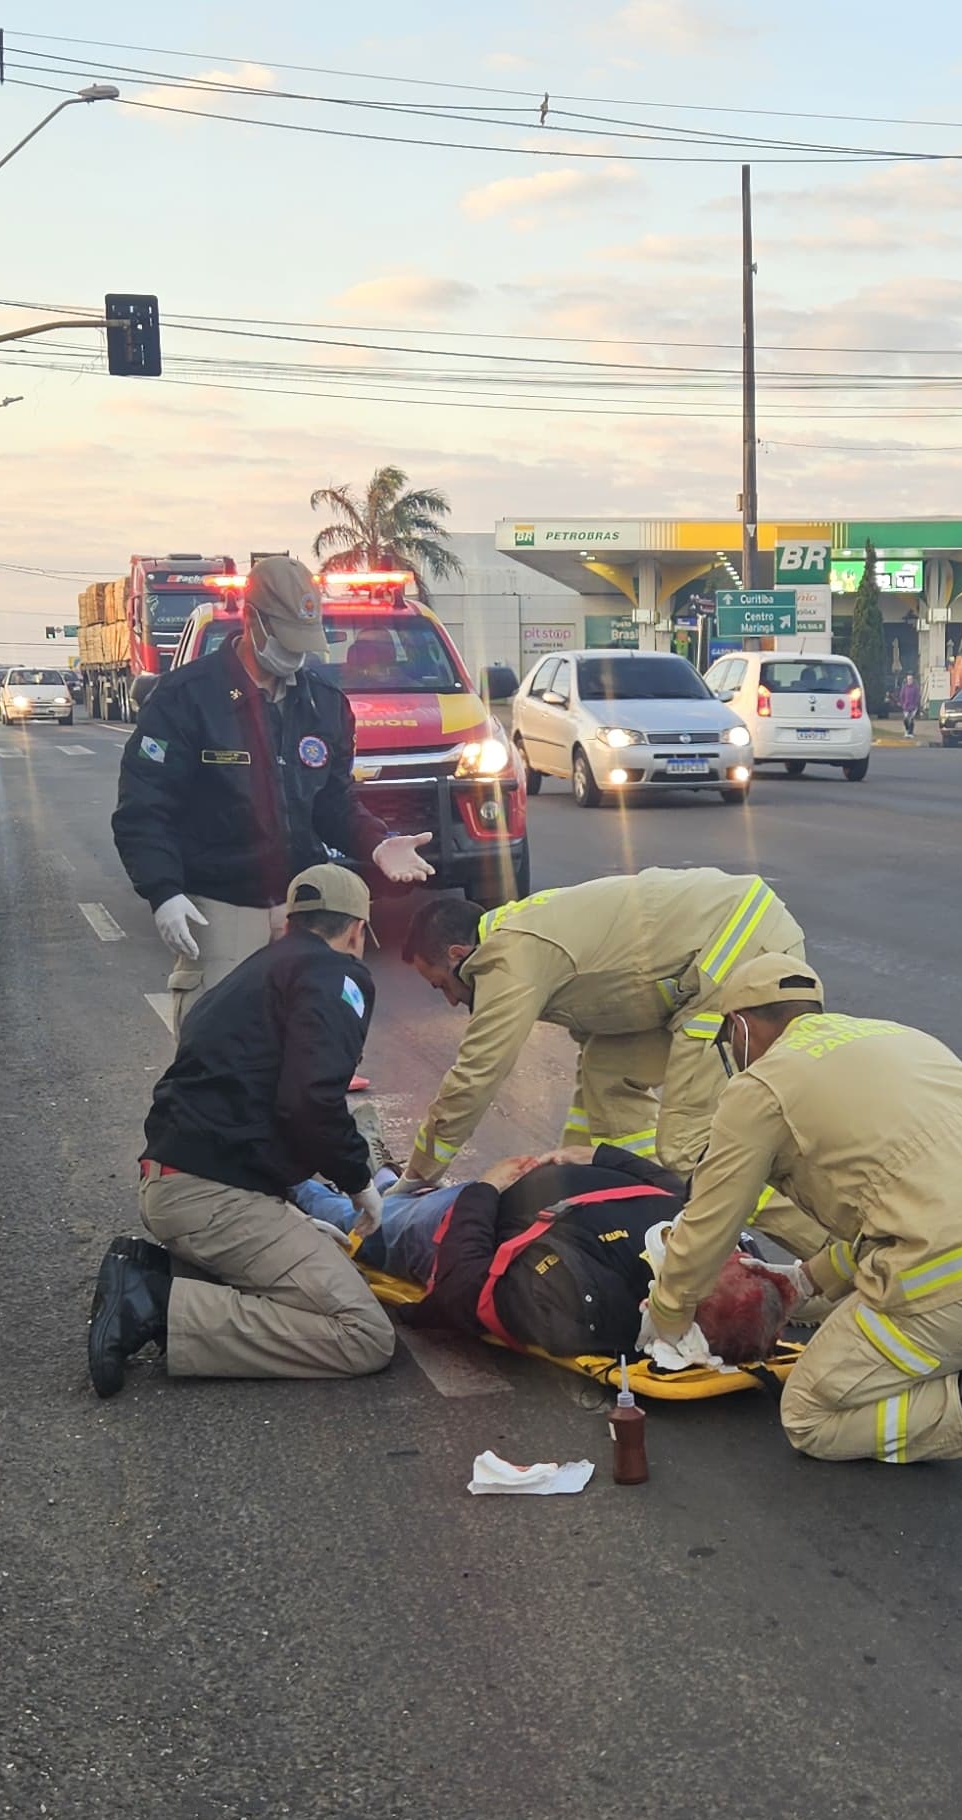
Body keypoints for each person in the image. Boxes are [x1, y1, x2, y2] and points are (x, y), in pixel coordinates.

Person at [636, 955, 962, 1481]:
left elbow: (710, 1224)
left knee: (809, 1416)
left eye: (727, 1039)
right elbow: (909, 1202)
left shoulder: (761, 1089)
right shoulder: (894, 1036)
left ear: (741, 1026)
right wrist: (806, 1280)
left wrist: (666, 1315)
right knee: (927, 1272)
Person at [89, 862, 397, 1394]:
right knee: (364, 1334)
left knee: (311, 1273)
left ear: (290, 924)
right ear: (355, 930)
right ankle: (154, 1303)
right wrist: (359, 1182)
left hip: (177, 1180)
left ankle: (172, 1277)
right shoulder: (337, 975)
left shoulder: (257, 971)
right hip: (215, 1197)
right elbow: (309, 1101)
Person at [111, 555, 433, 1031]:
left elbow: (333, 802)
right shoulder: (187, 698)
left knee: (298, 1046)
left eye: (305, 643)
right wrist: (163, 891)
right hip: (220, 906)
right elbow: (143, 807)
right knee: (216, 1045)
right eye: (286, 642)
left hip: (298, 908)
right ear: (251, 618)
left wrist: (376, 841)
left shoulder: (322, 705)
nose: (296, 656)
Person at [393, 867, 806, 1188]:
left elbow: (475, 1075)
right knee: (606, 1076)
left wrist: (416, 1176)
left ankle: (821, 1250)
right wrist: (564, 1181)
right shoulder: (520, 935)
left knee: (689, 1147)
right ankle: (630, 1199)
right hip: (709, 957)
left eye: (442, 984)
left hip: (737, 952)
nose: (450, 1000)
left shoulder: (508, 958)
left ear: (458, 954)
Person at [372, 1144, 799, 1364]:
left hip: (469, 1214)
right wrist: (600, 1156)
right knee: (390, 1194)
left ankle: (326, 1188)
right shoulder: (735, 1251)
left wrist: (486, 1189)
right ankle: (380, 1174)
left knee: (369, 1216)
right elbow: (681, 1192)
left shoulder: (582, 1302)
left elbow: (464, 1287)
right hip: (540, 1183)